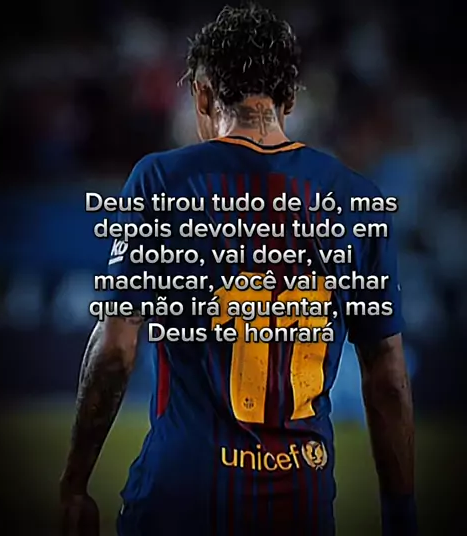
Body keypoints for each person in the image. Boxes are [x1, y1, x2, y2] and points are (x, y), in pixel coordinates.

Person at [60, 4, 416, 536]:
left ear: (203, 95)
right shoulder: (357, 201)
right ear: (290, 99)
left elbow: (115, 348)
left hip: (179, 501)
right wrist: (402, 517)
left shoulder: (161, 181)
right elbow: (387, 377)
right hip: (299, 505)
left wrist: (75, 483)